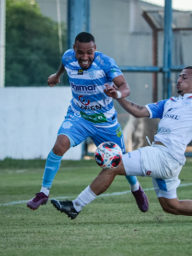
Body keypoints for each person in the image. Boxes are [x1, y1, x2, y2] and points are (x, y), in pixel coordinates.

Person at [51, 66, 192, 221]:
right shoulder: (169, 103)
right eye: (179, 77)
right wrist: (118, 96)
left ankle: (75, 206)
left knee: (112, 165)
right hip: (165, 157)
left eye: (184, 77)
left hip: (165, 156)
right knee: (171, 206)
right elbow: (139, 111)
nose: (179, 80)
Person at [27, 32, 148, 212]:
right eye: (80, 52)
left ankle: (136, 188)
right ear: (74, 49)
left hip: (105, 121)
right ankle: (43, 193)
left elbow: (125, 87)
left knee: (120, 159)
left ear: (95, 50)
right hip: (79, 116)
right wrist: (57, 75)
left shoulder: (105, 63)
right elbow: (64, 64)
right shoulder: (68, 57)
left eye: (89, 52)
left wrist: (117, 94)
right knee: (60, 145)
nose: (85, 57)